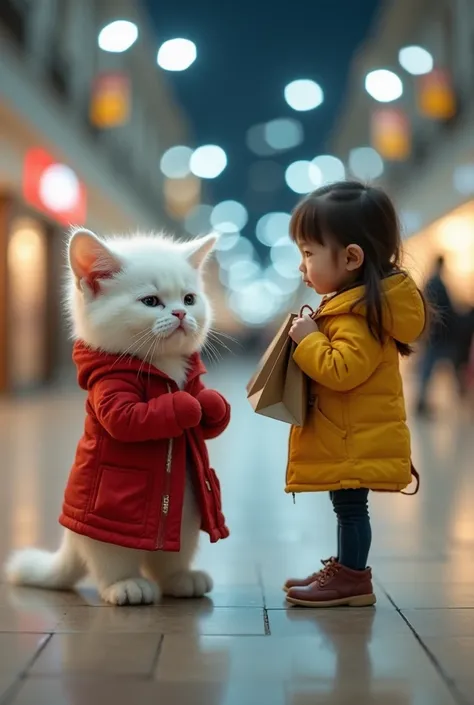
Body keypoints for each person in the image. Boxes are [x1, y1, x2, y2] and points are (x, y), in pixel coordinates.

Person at [283, 181, 426, 608]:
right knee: (347, 507)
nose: (302, 266)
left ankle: (351, 578)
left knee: (350, 509)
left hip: (352, 438)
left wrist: (309, 339)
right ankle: (346, 570)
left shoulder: (356, 316)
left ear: (350, 258)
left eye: (309, 254)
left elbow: (342, 370)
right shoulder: (355, 306)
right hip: (349, 432)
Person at [416, 255, 456, 415]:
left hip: (431, 333)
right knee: (429, 366)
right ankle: (422, 402)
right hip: (437, 334)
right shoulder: (438, 283)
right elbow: (446, 309)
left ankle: (422, 401)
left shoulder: (430, 282)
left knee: (428, 366)